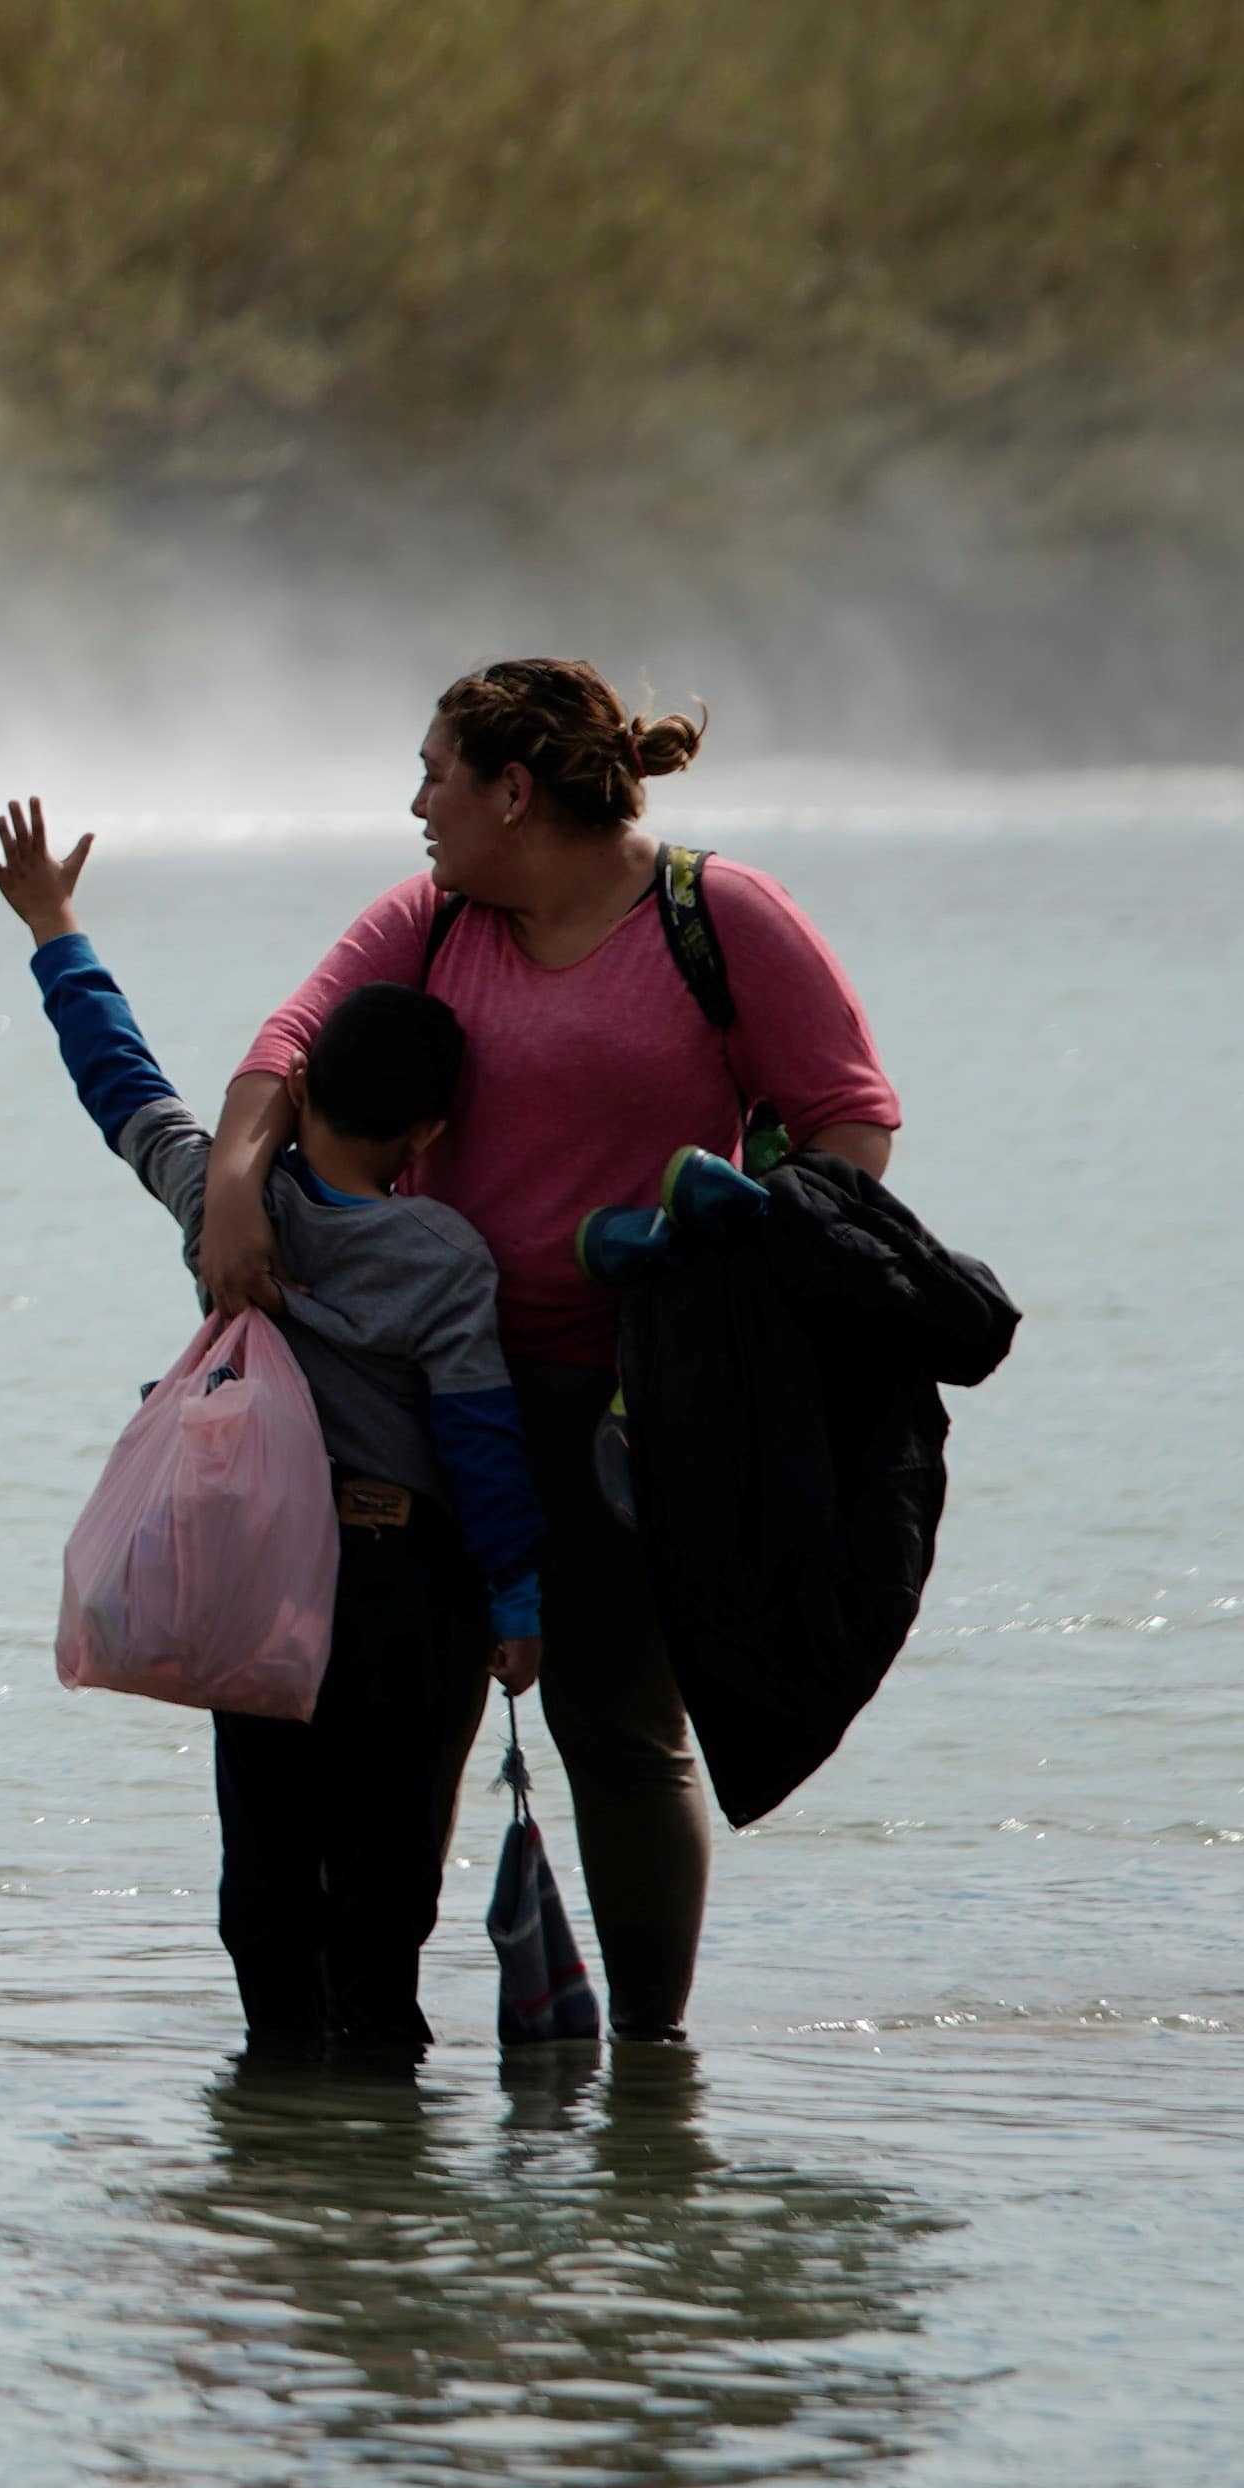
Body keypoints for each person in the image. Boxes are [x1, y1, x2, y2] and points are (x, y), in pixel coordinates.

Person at [194, 659, 902, 2045]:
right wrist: (233, 1184)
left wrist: (739, 1279)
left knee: (618, 1738)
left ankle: (649, 2077)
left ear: (512, 790)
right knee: (400, 1737)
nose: (416, 805)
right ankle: (352, 2063)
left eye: (435, 774)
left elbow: (848, 1119)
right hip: (416, 1397)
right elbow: (288, 1047)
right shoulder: (433, 918)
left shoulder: (719, 917)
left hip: (624, 1408)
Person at [0, 796, 536, 2058]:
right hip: (396, 1589)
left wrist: (52, 926)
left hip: (256, 1576)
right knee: (386, 1875)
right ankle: (376, 2108)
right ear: (431, 1132)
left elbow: (115, 1076)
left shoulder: (217, 1204)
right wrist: (514, 1601)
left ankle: (275, 2107)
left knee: (266, 1861)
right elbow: (479, 1439)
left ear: (299, 1096)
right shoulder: (442, 1254)